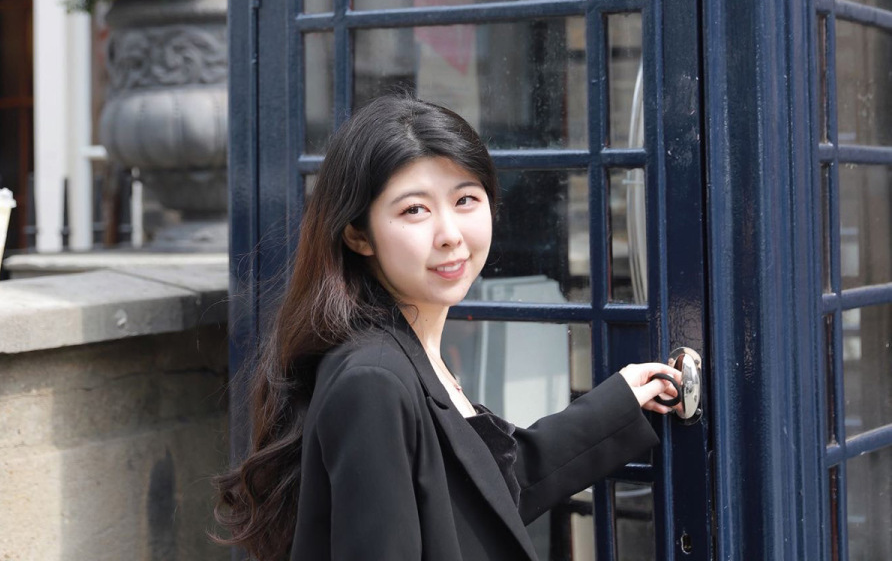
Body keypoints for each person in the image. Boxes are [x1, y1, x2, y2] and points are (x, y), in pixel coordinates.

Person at [214, 95, 683, 561]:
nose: (450, 234)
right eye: (414, 210)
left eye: (465, 199)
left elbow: (486, 490)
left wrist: (621, 401)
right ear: (357, 234)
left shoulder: (408, 351)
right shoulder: (373, 380)